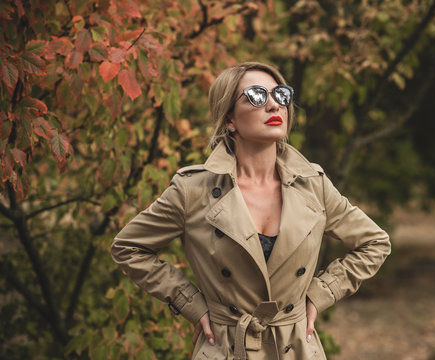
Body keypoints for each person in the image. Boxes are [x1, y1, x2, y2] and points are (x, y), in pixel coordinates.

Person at [111, 61, 391, 359]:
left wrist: (320, 294)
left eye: (281, 95)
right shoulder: (193, 190)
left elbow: (374, 243)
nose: (274, 105)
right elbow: (129, 247)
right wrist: (190, 303)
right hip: (227, 347)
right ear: (229, 118)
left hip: (296, 348)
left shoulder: (313, 185)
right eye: (257, 96)